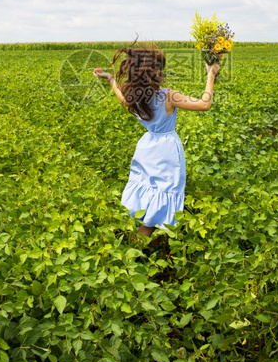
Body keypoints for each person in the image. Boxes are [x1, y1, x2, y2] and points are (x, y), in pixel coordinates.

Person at [93, 42, 220, 241]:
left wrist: (110, 79)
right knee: (161, 201)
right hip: (166, 151)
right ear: (155, 74)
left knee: (150, 193)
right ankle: (136, 248)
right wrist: (211, 74)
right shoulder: (167, 95)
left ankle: (139, 239)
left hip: (146, 148)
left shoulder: (136, 96)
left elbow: (123, 99)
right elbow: (205, 104)